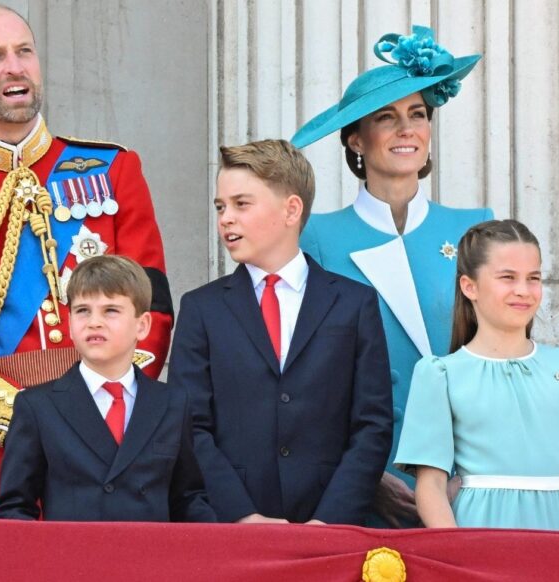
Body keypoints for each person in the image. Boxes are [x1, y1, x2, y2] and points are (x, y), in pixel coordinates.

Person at [0, 4, 172, 518]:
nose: (15, 67)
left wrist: (111, 397)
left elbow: (153, 305)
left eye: (24, 52)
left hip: (110, 434)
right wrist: (22, 416)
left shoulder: (114, 169)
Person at [291, 25, 493, 527]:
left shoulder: (474, 227)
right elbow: (305, 376)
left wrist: (467, 472)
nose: (407, 129)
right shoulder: (316, 236)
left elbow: (498, 360)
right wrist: (364, 476)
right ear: (357, 139)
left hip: (466, 481)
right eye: (387, 117)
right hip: (358, 484)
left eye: (418, 115)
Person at [168, 139, 392, 525]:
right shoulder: (201, 309)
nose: (225, 218)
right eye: (221, 207)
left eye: (242, 204)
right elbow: (190, 425)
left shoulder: (354, 305)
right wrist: (242, 516)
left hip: (330, 526)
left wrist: (329, 521)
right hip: (230, 526)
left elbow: (372, 425)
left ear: (291, 210)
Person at [395, 219, 559, 531]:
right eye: (508, 278)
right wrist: (456, 556)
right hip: (478, 536)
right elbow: (431, 485)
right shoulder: (441, 375)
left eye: (534, 278)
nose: (523, 291)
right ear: (469, 286)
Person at [0, 255, 215, 522]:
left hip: (152, 559)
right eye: (83, 310)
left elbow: (187, 498)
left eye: (110, 310)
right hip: (72, 560)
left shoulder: (173, 403)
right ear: (71, 325)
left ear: (142, 326)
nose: (94, 322)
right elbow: (15, 508)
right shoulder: (37, 406)